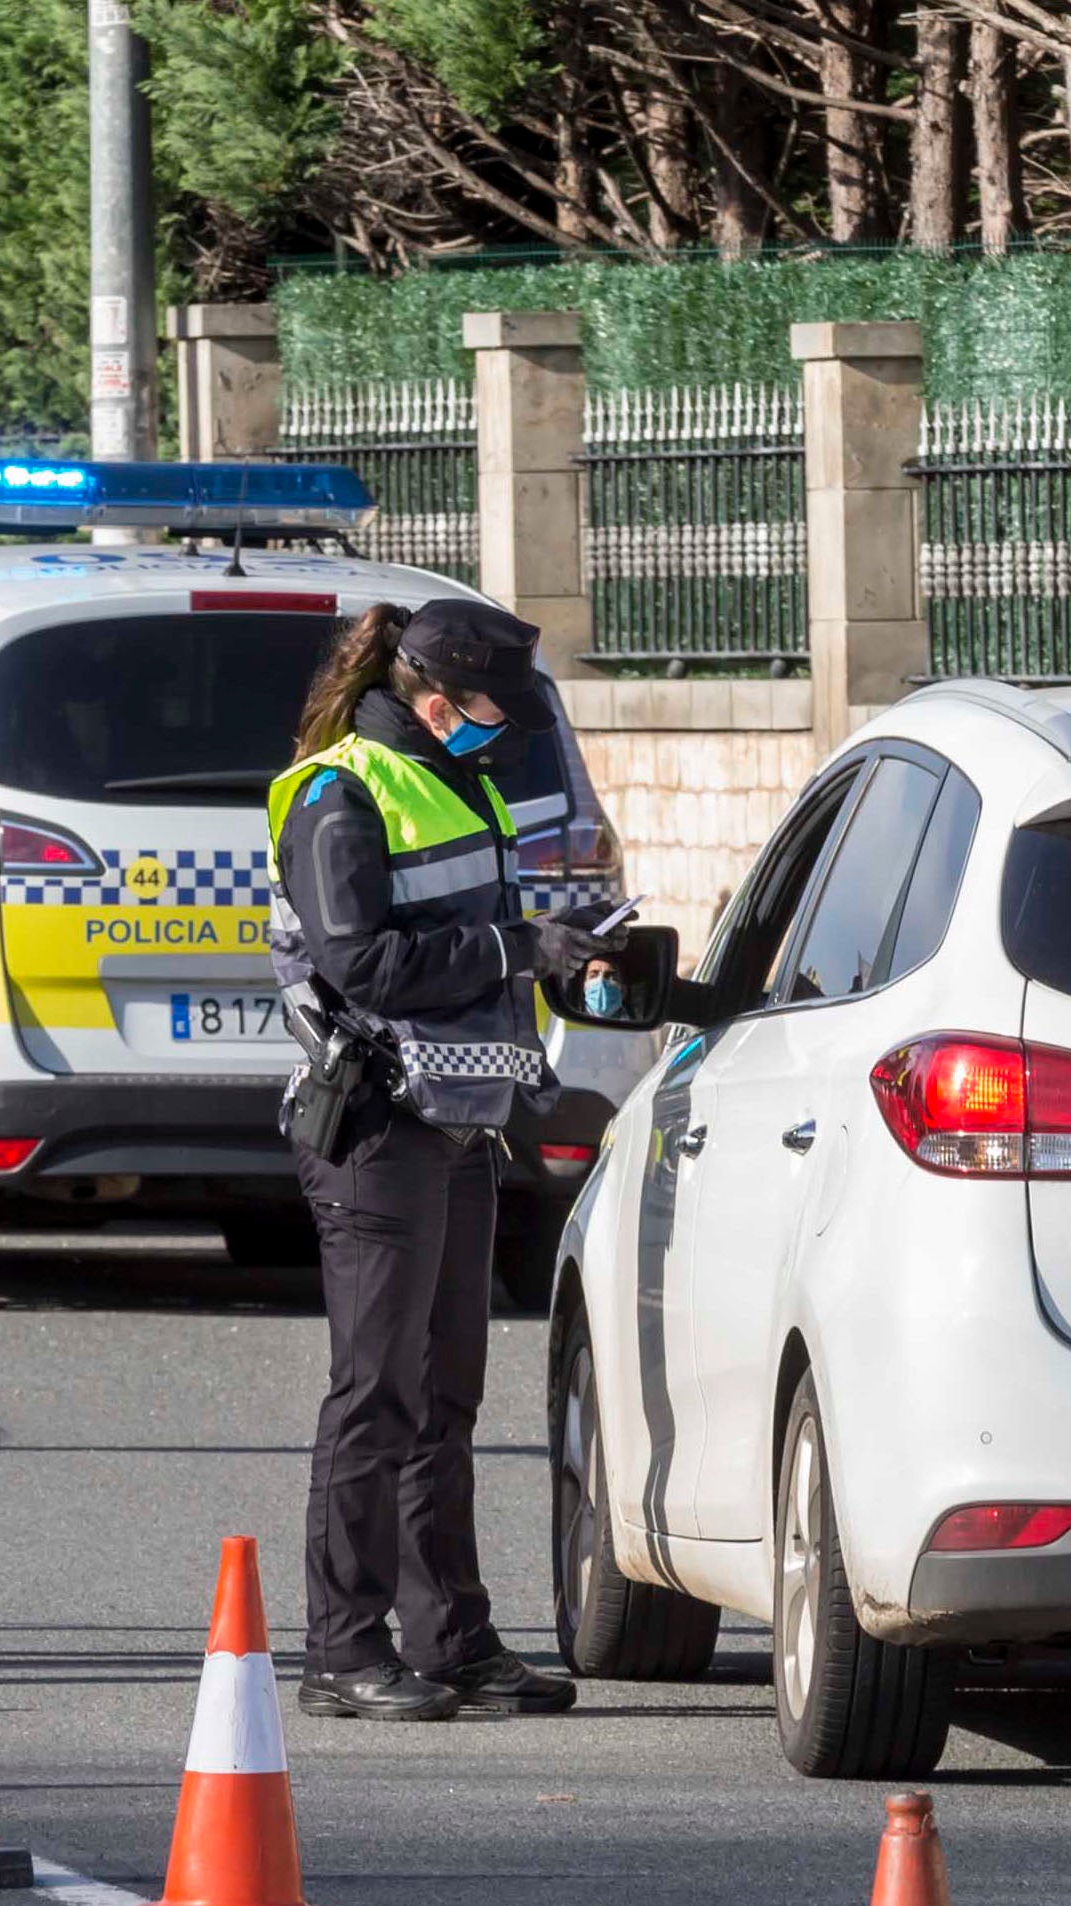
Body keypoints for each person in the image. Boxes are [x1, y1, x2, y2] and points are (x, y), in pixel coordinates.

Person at [263, 599, 624, 1720]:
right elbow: (363, 964)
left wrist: (558, 961)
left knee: (445, 1395)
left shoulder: (452, 780)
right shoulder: (341, 793)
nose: (499, 732)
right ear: (431, 699)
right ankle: (342, 1649)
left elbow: (454, 942)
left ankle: (453, 1639)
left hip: (460, 1117)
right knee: (376, 1394)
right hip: (377, 1127)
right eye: (484, 711)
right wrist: (518, 945)